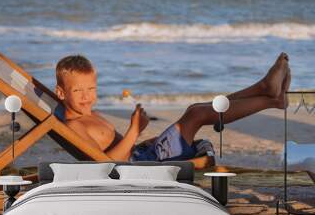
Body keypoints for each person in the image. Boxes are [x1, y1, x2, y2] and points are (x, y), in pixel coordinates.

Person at [54, 53, 291, 161]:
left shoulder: (88, 114)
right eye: (78, 91)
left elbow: (120, 148)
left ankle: (263, 88)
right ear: (61, 93)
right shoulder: (73, 126)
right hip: (144, 163)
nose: (86, 97)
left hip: (144, 153)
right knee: (197, 114)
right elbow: (106, 166)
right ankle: (271, 98)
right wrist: (135, 130)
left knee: (195, 109)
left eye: (91, 89)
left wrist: (142, 139)